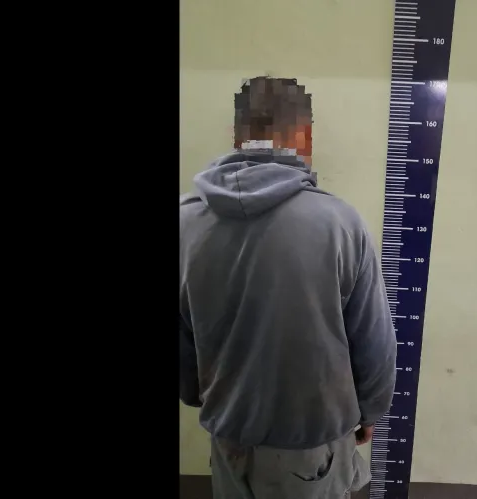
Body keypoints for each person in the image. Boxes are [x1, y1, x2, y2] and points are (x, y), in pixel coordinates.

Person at [179, 76, 397, 499]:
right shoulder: (339, 223)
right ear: (305, 136)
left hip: (230, 434)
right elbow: (373, 339)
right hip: (311, 444)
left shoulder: (185, 224)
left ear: (237, 137)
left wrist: (203, 397)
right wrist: (371, 410)